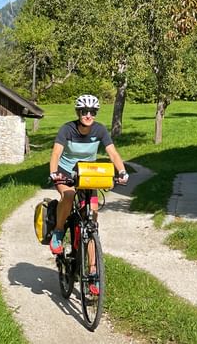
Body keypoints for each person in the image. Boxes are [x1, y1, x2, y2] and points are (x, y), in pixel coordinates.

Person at [48, 95, 129, 274]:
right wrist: (54, 173)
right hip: (67, 172)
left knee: (91, 219)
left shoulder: (99, 130)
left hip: (87, 175)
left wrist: (122, 171)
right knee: (68, 196)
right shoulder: (67, 130)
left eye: (92, 112)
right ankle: (59, 232)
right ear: (78, 112)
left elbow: (113, 154)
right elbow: (55, 154)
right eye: (85, 112)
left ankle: (93, 270)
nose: (88, 115)